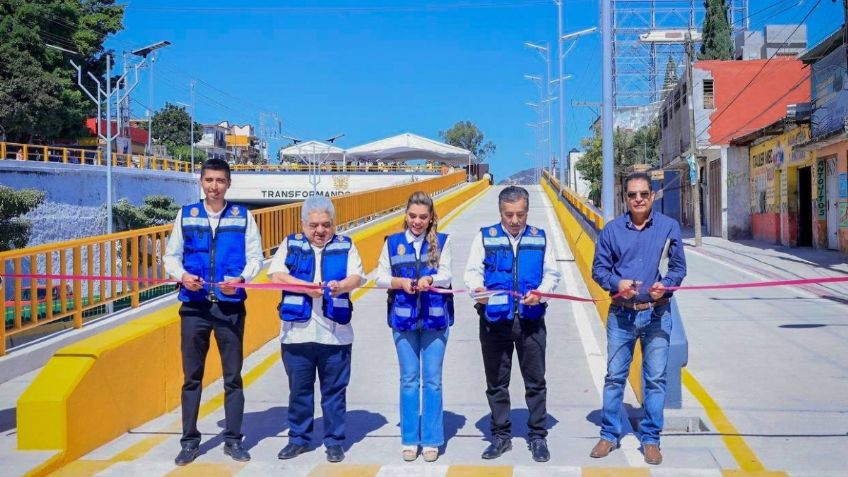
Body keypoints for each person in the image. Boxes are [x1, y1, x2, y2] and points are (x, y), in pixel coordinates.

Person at [163, 158, 264, 466]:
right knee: (192, 377)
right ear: (201, 182)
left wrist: (242, 279)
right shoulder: (186, 215)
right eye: (209, 180)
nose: (214, 186)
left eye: (220, 181)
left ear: (228, 183)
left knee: (233, 377)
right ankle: (189, 441)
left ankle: (233, 440)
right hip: (194, 307)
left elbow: (255, 257)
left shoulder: (243, 216)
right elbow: (171, 256)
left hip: (230, 307)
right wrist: (182, 276)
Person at [589, 171, 687, 466]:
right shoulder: (612, 231)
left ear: (652, 196)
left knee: (655, 380)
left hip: (657, 315)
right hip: (622, 316)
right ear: (625, 198)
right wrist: (616, 284)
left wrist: (665, 286)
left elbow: (678, 269)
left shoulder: (669, 228)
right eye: (632, 195)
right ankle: (609, 434)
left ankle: (651, 440)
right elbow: (599, 270)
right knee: (615, 377)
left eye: (644, 194)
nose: (638, 199)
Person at [463, 186, 561, 462]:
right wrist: (477, 290)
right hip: (495, 321)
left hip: (531, 321)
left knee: (535, 381)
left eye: (520, 214)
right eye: (509, 215)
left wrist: (541, 292)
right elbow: (472, 273)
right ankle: (501, 435)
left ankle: (538, 436)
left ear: (527, 211)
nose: (515, 220)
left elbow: (552, 273)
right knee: (496, 382)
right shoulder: (485, 237)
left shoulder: (540, 238)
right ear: (500, 213)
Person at [270, 196, 365, 464]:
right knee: (299, 391)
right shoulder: (290, 244)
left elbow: (356, 277)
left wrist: (341, 285)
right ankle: (298, 439)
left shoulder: (347, 245)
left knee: (334, 392)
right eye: (313, 225)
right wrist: (303, 286)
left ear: (334, 224)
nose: (320, 231)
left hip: (335, 336)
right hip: (296, 334)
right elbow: (276, 275)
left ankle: (334, 441)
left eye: (325, 225)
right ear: (303, 224)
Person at [376, 191, 453, 462]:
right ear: (405, 215)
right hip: (404, 320)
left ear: (431, 218)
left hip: (435, 321)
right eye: (412, 216)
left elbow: (447, 274)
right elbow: (380, 277)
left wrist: (430, 280)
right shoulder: (392, 243)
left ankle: (431, 439)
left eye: (422, 217)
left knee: (432, 380)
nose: (417, 222)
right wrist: (400, 283)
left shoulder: (443, 242)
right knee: (409, 380)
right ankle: (410, 439)